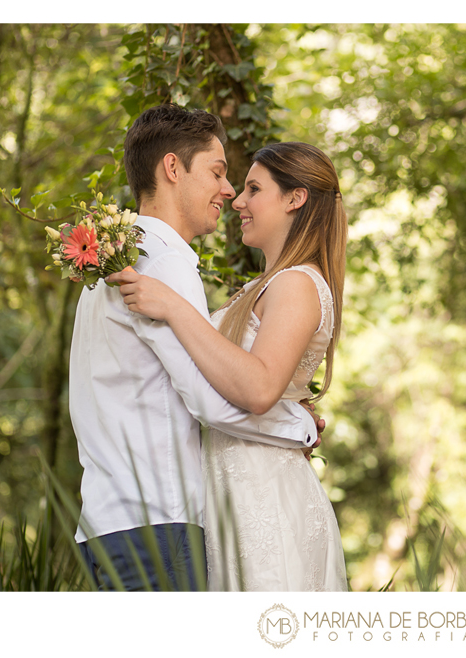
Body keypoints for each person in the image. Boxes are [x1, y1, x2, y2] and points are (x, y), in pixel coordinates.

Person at [70, 104, 321, 591]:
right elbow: (210, 403)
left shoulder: (110, 260)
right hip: (157, 524)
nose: (228, 192)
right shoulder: (162, 260)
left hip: (104, 522)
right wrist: (301, 426)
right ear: (171, 168)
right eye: (218, 172)